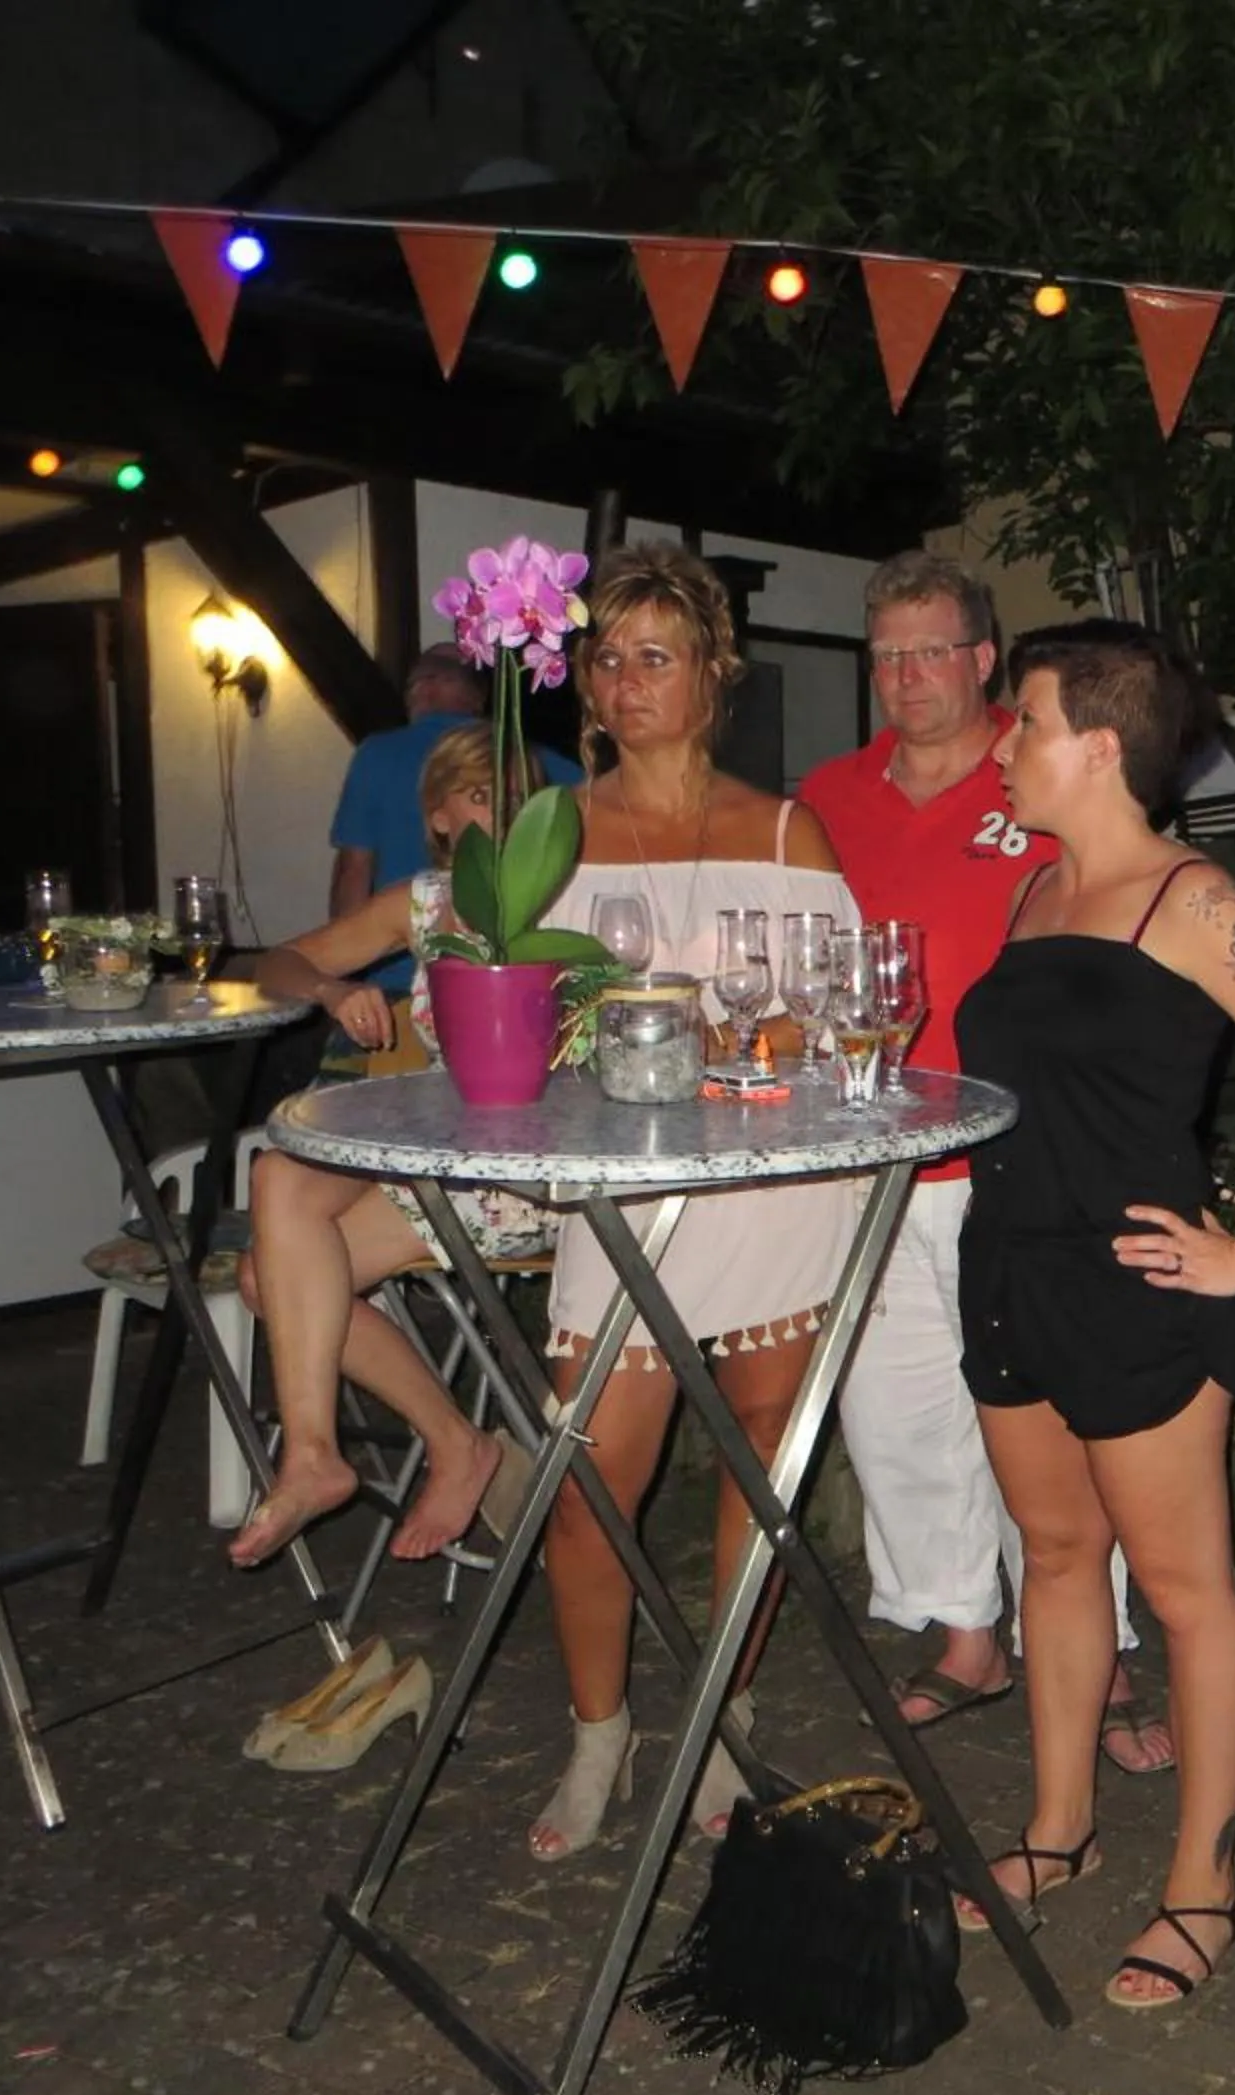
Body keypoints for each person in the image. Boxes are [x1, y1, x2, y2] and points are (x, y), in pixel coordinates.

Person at [953, 620, 1235, 2009]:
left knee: (1189, 1597)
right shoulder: (1037, 895)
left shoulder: (1188, 899)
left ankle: (1203, 1877)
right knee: (1055, 1559)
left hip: (1140, 1285)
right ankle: (1059, 1830)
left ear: (1095, 744)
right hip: (1012, 1266)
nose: (1003, 746)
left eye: (1022, 723)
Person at [797, 552, 1170, 1771]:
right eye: (887, 655)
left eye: (931, 651)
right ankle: (964, 1632)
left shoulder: (1047, 766)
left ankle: (1098, 1650)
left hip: (1024, 1157)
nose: (907, 677)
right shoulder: (824, 800)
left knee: (1052, 1412)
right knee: (898, 1410)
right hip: (882, 1153)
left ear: (978, 658)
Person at [524, 542, 861, 1861]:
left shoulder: (787, 829)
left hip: (770, 1183)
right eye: (605, 657)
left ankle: (724, 1708)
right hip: (620, 1189)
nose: (625, 679)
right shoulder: (552, 830)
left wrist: (775, 1037)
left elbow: (841, 1007)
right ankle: (597, 1730)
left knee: (758, 1459)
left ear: (715, 673)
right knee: (586, 1480)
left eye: (655, 653)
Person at [228, 725, 547, 1570]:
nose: (501, 816)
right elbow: (274, 964)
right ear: (440, 817)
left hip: (535, 1171)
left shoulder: (568, 895)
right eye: (479, 798)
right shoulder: (425, 903)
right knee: (277, 1199)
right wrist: (334, 989)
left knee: (274, 1279)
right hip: (440, 1156)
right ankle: (329, 1454)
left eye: (513, 798)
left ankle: (436, 1445)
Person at [326, 645, 583, 991]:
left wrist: (347, 978)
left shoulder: (376, 754)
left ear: (421, 691)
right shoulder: (526, 756)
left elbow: (353, 869)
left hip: (393, 984)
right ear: (478, 698)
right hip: (515, 978)